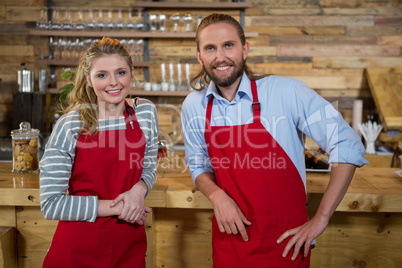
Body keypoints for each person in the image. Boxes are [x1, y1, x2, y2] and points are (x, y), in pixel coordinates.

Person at [181, 13, 368, 267]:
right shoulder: (194, 105)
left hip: (288, 244)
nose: (220, 56)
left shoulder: (287, 92)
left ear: (244, 49)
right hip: (231, 242)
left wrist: (321, 219)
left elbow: (347, 144)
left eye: (228, 45)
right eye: (210, 48)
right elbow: (198, 165)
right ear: (199, 56)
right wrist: (217, 196)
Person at [39, 37, 158, 267]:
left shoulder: (145, 113)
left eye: (120, 72)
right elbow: (51, 204)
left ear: (132, 74)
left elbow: (149, 167)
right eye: (102, 75)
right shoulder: (70, 125)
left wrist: (139, 189)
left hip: (129, 247)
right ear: (89, 80)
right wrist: (122, 206)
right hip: (78, 250)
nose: (113, 82)